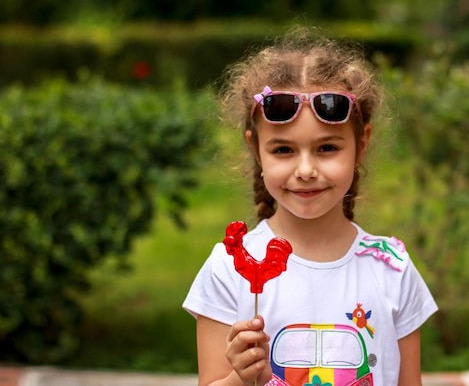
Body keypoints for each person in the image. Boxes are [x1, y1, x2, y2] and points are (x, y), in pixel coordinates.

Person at [183, 28, 437, 386]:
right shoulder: (229, 269)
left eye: (327, 148)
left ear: (361, 143)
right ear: (256, 149)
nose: (305, 171)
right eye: (283, 150)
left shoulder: (392, 270)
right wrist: (241, 378)